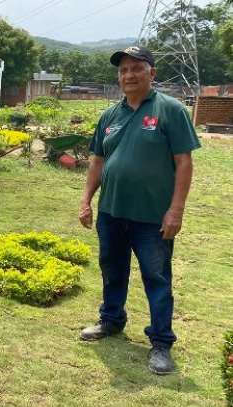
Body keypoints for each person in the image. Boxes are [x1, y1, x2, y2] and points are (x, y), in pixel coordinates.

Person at [78, 46, 200, 375]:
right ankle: (111, 320)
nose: (128, 75)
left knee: (157, 278)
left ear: (152, 73)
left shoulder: (170, 110)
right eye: (123, 70)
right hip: (112, 212)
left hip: (152, 218)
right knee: (112, 270)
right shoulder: (109, 116)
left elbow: (183, 162)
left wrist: (176, 210)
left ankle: (161, 343)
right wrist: (86, 199)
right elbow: (98, 161)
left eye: (136, 68)